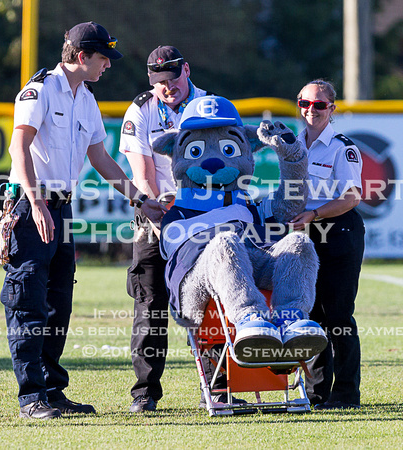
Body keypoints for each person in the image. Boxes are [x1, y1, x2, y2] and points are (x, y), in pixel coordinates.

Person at [0, 21, 165, 420]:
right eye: (103, 57)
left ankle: (53, 391)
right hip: (31, 206)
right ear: (81, 56)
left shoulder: (86, 99)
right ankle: (31, 396)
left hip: (63, 209)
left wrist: (141, 200)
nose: (107, 65)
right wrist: (37, 204)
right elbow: (18, 147)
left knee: (59, 304)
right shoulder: (39, 90)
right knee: (28, 303)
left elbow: (102, 161)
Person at [119, 46, 242, 413]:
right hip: (155, 216)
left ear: (186, 70)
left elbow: (230, 163)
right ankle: (145, 392)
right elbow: (140, 173)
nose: (166, 88)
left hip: (206, 217)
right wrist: (160, 217)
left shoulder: (211, 105)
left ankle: (220, 387)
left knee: (215, 299)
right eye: (159, 83)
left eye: (172, 80)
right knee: (150, 304)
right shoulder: (140, 109)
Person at [290, 79, 365, 410]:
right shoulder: (294, 144)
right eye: (305, 103)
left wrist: (314, 214)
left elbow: (351, 197)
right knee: (313, 315)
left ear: (332, 109)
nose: (311, 110)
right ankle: (319, 393)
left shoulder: (341, 146)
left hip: (339, 232)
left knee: (338, 316)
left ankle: (346, 394)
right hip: (307, 234)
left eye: (319, 105)